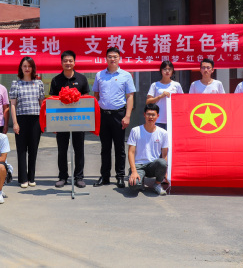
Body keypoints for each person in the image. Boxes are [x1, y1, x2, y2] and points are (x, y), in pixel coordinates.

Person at [93, 47, 136, 188]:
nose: (112, 59)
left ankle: (120, 176)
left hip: (119, 115)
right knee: (105, 147)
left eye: (115, 56)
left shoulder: (126, 75)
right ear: (106, 58)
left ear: (119, 59)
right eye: (110, 56)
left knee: (119, 147)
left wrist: (127, 116)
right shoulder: (99, 75)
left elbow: (130, 97)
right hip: (103, 115)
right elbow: (96, 95)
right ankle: (104, 176)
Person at [50, 50, 90, 188]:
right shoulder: (56, 80)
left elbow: (86, 99)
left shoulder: (82, 79)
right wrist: (53, 124)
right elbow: (52, 101)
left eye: (70, 60)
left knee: (79, 150)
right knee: (62, 150)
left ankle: (79, 177)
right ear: (61, 63)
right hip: (61, 121)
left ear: (74, 62)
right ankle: (63, 177)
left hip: (78, 120)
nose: (68, 63)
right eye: (65, 61)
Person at [10, 57, 45, 188]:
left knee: (33, 149)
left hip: (36, 119)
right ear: (21, 68)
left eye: (29, 66)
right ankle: (23, 179)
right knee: (21, 150)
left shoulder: (39, 83)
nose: (27, 68)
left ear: (33, 68)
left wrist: (43, 121)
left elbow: (42, 103)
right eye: (24, 66)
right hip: (21, 119)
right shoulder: (16, 83)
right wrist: (15, 123)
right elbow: (13, 105)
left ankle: (31, 178)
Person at [127, 104, 169, 196]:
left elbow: (164, 154)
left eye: (153, 115)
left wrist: (165, 172)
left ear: (157, 116)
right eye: (148, 114)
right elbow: (131, 152)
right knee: (134, 185)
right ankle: (139, 180)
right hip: (139, 165)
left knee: (162, 162)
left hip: (153, 165)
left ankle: (157, 184)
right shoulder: (135, 130)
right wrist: (134, 171)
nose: (150, 117)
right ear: (144, 115)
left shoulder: (163, 133)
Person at [146, 61, 183, 130]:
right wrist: (160, 96)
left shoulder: (176, 85)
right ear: (161, 71)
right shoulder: (155, 85)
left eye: (169, 69)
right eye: (165, 69)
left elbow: (182, 101)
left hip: (172, 118)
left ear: (172, 71)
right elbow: (148, 101)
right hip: (158, 119)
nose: (167, 71)